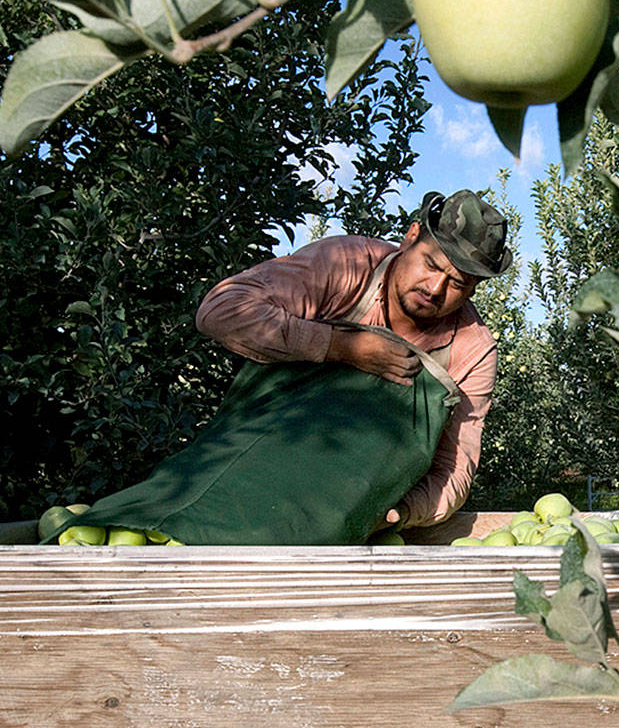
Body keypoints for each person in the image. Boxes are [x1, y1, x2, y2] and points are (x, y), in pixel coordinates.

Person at [194, 190, 507, 529]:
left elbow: (455, 466)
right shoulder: (346, 264)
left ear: (473, 288)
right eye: (431, 264)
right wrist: (341, 347)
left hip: (345, 517)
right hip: (245, 473)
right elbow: (220, 311)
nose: (434, 288)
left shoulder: (472, 350)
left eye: (457, 283)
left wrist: (401, 512)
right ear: (411, 237)